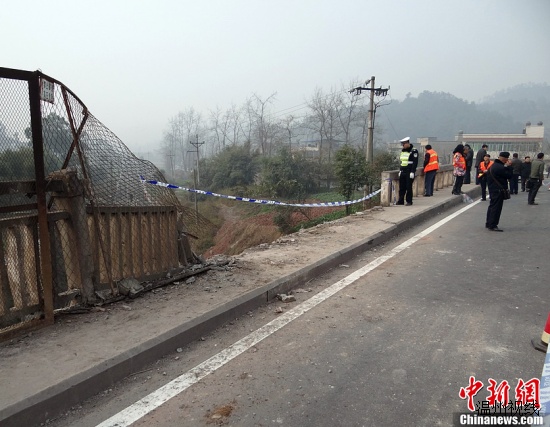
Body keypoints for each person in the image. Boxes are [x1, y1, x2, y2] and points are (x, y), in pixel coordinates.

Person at [485, 152, 513, 231]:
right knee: (496, 208)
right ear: (504, 158)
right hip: (498, 190)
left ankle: (488, 223)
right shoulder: (500, 167)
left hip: (492, 189)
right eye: (507, 158)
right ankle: (493, 225)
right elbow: (509, 176)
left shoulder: (493, 166)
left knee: (492, 206)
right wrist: (509, 167)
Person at [396, 136, 418, 206]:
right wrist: (400, 170)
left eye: (404, 144)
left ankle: (409, 201)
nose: (403, 146)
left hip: (409, 170)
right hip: (403, 170)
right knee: (402, 187)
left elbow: (415, 162)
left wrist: (412, 172)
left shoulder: (413, 151)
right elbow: (402, 162)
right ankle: (401, 200)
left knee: (408, 187)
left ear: (408, 143)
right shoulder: (403, 151)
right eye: (402, 144)